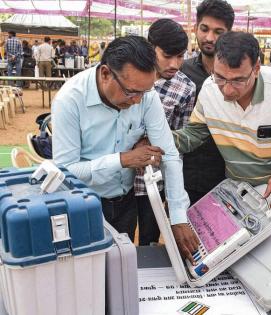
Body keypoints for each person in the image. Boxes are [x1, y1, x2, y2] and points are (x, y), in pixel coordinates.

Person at [52, 36, 198, 261]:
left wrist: (178, 217)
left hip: (125, 202)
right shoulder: (70, 100)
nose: (137, 101)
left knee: (121, 268)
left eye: (144, 92)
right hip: (85, 205)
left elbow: (169, 155)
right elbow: (66, 172)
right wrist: (123, 160)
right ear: (105, 74)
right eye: (130, 92)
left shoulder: (145, 96)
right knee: (90, 271)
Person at [174, 31, 271, 216]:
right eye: (220, 77)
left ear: (257, 68)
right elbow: (194, 134)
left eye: (238, 80)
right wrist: (158, 140)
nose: (227, 90)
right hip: (241, 196)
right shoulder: (209, 89)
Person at [134, 19, 196, 245]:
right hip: (118, 177)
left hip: (152, 180)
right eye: (167, 56)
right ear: (151, 48)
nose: (175, 64)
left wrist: (174, 193)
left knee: (149, 239)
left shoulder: (185, 88)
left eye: (180, 56)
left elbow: (177, 143)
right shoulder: (128, 74)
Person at [180, 0, 235, 205]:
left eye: (218, 31)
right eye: (204, 29)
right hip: (189, 175)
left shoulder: (241, 76)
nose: (209, 38)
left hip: (229, 175)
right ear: (195, 28)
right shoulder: (182, 72)